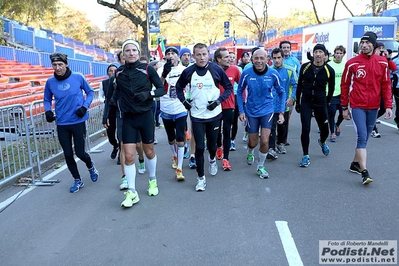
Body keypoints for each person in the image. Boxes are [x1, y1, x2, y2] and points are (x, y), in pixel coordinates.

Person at [113, 40, 165, 207]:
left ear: (138, 52)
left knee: (149, 152)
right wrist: (108, 113)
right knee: (128, 156)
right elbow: (116, 93)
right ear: (123, 54)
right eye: (127, 50)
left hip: (145, 116)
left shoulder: (147, 69)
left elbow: (161, 89)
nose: (131, 53)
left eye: (134, 50)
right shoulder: (119, 73)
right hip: (128, 117)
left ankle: (152, 180)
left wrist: (148, 94)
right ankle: (132, 192)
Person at [176, 43, 233, 192]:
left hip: (214, 114)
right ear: (193, 56)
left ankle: (213, 159)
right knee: (200, 147)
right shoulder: (188, 72)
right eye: (198, 55)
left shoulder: (217, 69)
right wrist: (184, 102)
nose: (202, 58)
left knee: (212, 146)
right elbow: (178, 88)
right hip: (196, 115)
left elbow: (229, 88)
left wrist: (218, 102)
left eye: (204, 54)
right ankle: (201, 178)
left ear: (209, 55)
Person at [341, 31, 393, 185]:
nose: (364, 45)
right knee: (362, 137)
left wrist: (388, 106)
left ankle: (355, 163)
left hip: (374, 106)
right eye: (362, 43)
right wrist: (344, 107)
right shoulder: (352, 63)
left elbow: (386, 85)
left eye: (367, 43)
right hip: (357, 105)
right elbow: (344, 85)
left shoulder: (382, 63)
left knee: (365, 138)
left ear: (373, 44)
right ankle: (364, 172)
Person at [43, 53, 99, 193]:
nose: (58, 68)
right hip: (62, 123)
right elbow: (46, 99)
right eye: (55, 65)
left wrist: (84, 107)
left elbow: (90, 92)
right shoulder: (50, 82)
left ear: (66, 64)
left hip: (78, 120)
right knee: (68, 154)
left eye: (60, 65)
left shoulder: (78, 77)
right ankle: (77, 180)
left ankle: (90, 165)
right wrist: (48, 111)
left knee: (80, 153)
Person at [237, 49, 286, 179]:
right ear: (252, 59)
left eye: (261, 58)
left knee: (265, 141)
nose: (259, 61)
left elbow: (282, 92)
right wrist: (241, 111)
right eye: (256, 58)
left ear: (266, 59)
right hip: (251, 111)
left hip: (267, 110)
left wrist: (281, 112)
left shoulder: (273, 74)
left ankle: (260, 167)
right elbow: (239, 91)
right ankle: (250, 151)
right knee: (253, 142)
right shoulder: (247, 73)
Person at [296, 43, 335, 167]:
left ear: (325, 55)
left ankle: (322, 141)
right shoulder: (305, 67)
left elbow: (332, 88)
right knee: (305, 128)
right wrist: (298, 101)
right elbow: (299, 86)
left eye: (320, 52)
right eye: (316, 52)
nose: (318, 54)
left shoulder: (329, 70)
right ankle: (305, 155)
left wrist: (327, 102)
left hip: (320, 102)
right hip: (306, 101)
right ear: (313, 54)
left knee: (325, 130)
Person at [158, 46, 188, 180]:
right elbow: (158, 87)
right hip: (166, 108)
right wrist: (164, 73)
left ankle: (180, 169)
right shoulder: (160, 69)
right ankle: (174, 156)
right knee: (171, 137)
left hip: (181, 107)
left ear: (178, 57)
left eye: (173, 53)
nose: (171, 55)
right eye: (168, 53)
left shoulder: (184, 70)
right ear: (165, 57)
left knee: (180, 137)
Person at [214, 47, 241, 170]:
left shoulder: (234, 69)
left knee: (226, 131)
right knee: (216, 131)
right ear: (218, 59)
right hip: (215, 106)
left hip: (229, 105)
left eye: (230, 56)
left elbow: (241, 86)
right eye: (226, 57)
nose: (229, 59)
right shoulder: (212, 70)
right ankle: (219, 146)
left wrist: (242, 104)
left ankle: (226, 159)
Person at [270, 48, 297, 155]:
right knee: (271, 127)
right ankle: (271, 147)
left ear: (283, 58)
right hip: (271, 105)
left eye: (279, 58)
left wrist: (292, 98)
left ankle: (280, 143)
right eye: (274, 58)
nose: (276, 60)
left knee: (282, 126)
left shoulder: (290, 70)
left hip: (284, 104)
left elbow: (295, 85)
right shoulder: (269, 70)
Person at [370, 41, 397, 138]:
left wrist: (388, 58)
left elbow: (393, 68)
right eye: (379, 48)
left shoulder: (385, 59)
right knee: (372, 107)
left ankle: (371, 120)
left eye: (382, 48)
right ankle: (373, 128)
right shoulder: (372, 59)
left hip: (385, 86)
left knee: (383, 107)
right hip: (374, 86)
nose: (381, 50)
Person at [99, 63, 119, 160]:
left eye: (114, 70)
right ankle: (115, 146)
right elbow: (100, 96)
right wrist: (105, 101)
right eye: (110, 71)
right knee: (111, 134)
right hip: (109, 111)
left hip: (119, 110)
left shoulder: (121, 82)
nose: (112, 72)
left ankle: (121, 154)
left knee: (121, 134)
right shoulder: (104, 83)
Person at [327, 45, 346, 142]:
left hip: (342, 94)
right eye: (337, 53)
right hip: (332, 94)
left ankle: (337, 124)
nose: (338, 55)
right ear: (334, 54)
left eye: (340, 53)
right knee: (331, 114)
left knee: (343, 114)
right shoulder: (329, 65)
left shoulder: (345, 65)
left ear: (343, 54)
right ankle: (332, 133)